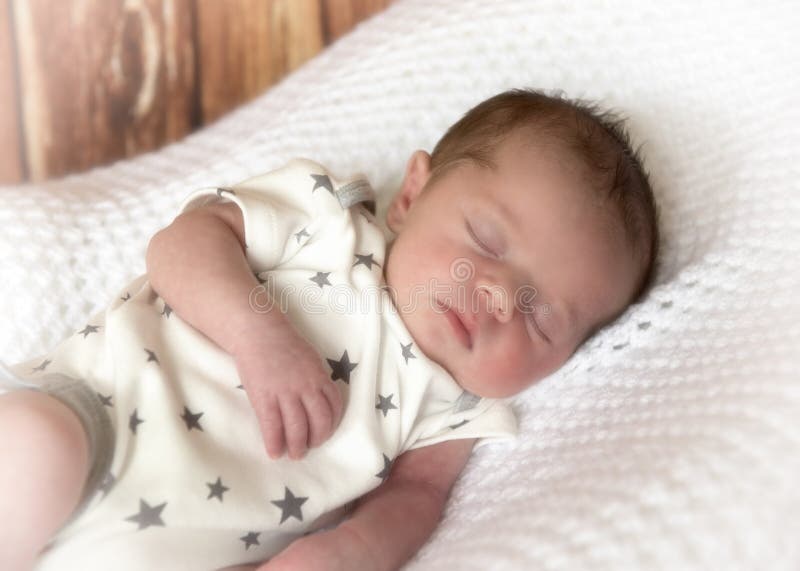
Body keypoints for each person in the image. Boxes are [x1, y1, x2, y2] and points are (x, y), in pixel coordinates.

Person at [0, 88, 659, 571]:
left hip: (169, 550)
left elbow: (418, 496)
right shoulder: (326, 217)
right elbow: (180, 245)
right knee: (32, 452)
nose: (496, 295)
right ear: (412, 194)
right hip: (97, 415)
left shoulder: (458, 407)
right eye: (486, 238)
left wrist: (347, 550)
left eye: (540, 314)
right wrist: (261, 335)